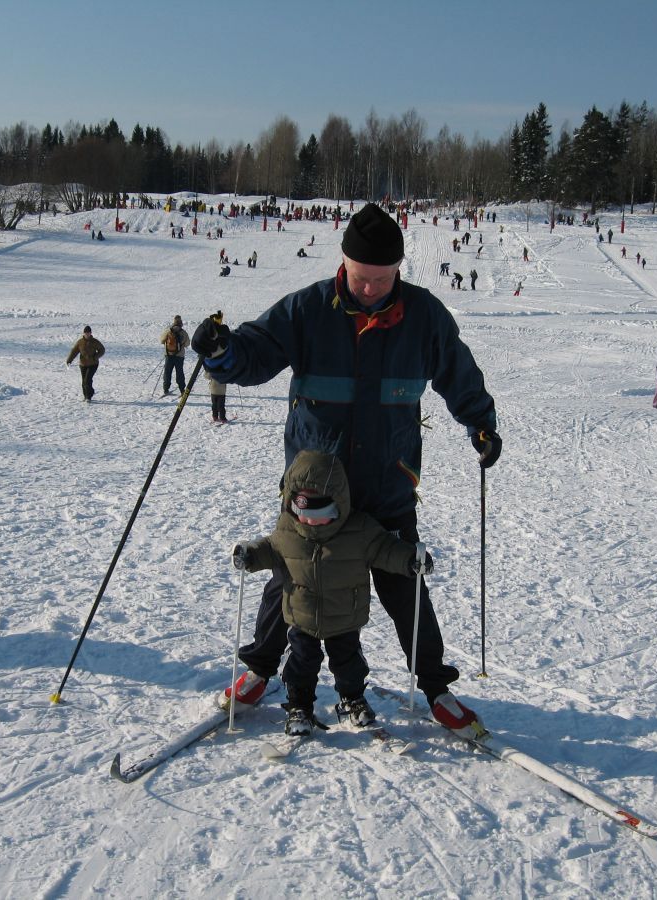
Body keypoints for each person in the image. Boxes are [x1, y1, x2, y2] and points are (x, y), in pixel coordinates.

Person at [192, 202, 500, 735]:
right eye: (361, 278)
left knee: (406, 583)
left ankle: (435, 685)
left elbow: (458, 371)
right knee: (290, 575)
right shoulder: (308, 310)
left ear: (398, 269)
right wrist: (223, 353)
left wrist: (480, 422)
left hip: (388, 481)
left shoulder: (424, 317)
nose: (371, 289)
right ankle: (261, 670)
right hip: (315, 487)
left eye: (382, 279)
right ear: (344, 263)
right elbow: (256, 353)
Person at [232, 450, 430, 736]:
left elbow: (385, 549)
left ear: (338, 504)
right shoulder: (289, 529)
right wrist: (250, 555)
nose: (310, 522)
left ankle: (352, 699)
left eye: (320, 515)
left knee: (349, 663)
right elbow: (271, 549)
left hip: (345, 616)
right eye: (304, 515)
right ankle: (299, 706)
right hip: (301, 617)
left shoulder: (359, 529)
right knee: (301, 664)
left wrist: (410, 560)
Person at [66, 325, 105, 402]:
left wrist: (96, 357)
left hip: (93, 364)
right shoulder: (80, 342)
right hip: (83, 364)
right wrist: (69, 360)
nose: (87, 334)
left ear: (91, 333)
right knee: (84, 381)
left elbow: (102, 350)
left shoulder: (95, 341)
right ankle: (86, 395)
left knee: (87, 379)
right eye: (86, 333)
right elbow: (74, 351)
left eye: (88, 333)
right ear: (83, 333)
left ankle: (88, 397)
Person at [206, 311, 229, 423]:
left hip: (213, 389)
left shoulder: (212, 368)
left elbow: (206, 376)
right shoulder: (223, 368)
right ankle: (223, 418)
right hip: (221, 391)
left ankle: (215, 416)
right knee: (221, 405)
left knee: (214, 405)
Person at [159, 315, 190, 395]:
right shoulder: (183, 332)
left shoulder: (168, 331)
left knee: (167, 372)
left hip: (168, 355)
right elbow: (187, 344)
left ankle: (166, 389)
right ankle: (182, 389)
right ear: (181, 323)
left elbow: (161, 340)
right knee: (179, 372)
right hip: (179, 356)